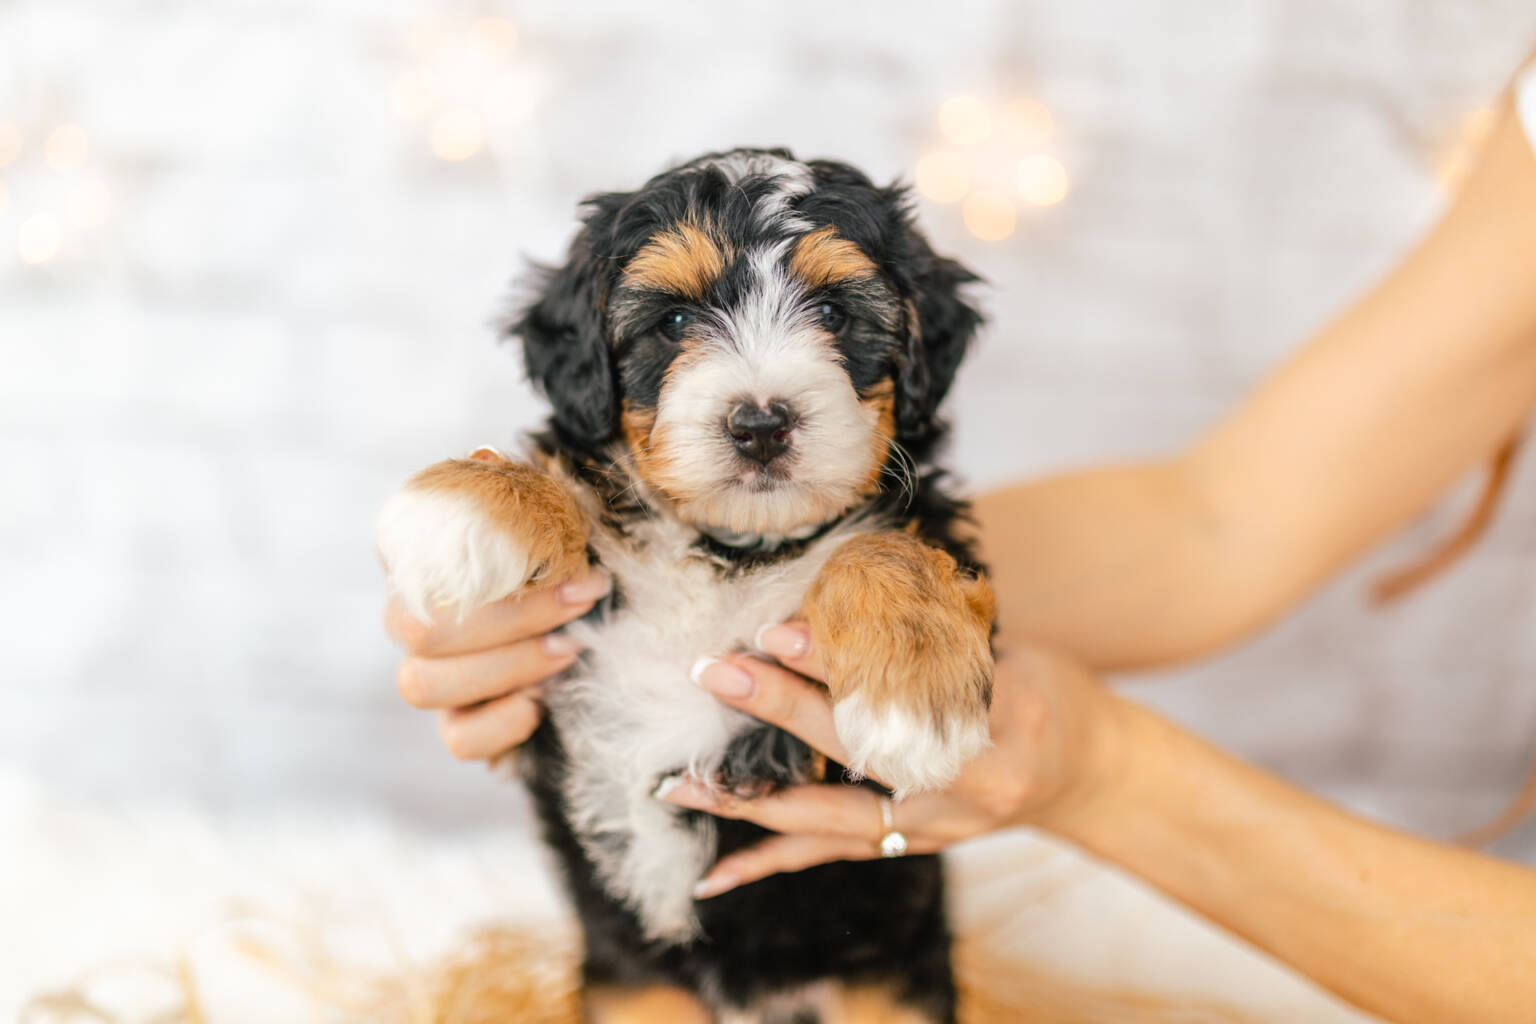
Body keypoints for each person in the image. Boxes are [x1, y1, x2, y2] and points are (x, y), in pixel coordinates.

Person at [384, 58, 1536, 1024]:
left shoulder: (885, 532)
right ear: (586, 359)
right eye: (678, 320)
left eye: (836, 316)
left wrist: (1075, 750)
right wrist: (510, 538)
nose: (759, 389)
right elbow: (1218, 520)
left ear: (912, 363)